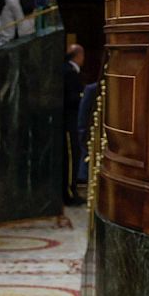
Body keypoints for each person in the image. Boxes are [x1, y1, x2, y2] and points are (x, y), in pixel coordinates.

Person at [63, 42, 86, 203]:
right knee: (71, 156)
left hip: (68, 119)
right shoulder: (69, 73)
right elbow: (71, 98)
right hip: (68, 120)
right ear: (78, 56)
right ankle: (69, 193)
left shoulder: (67, 71)